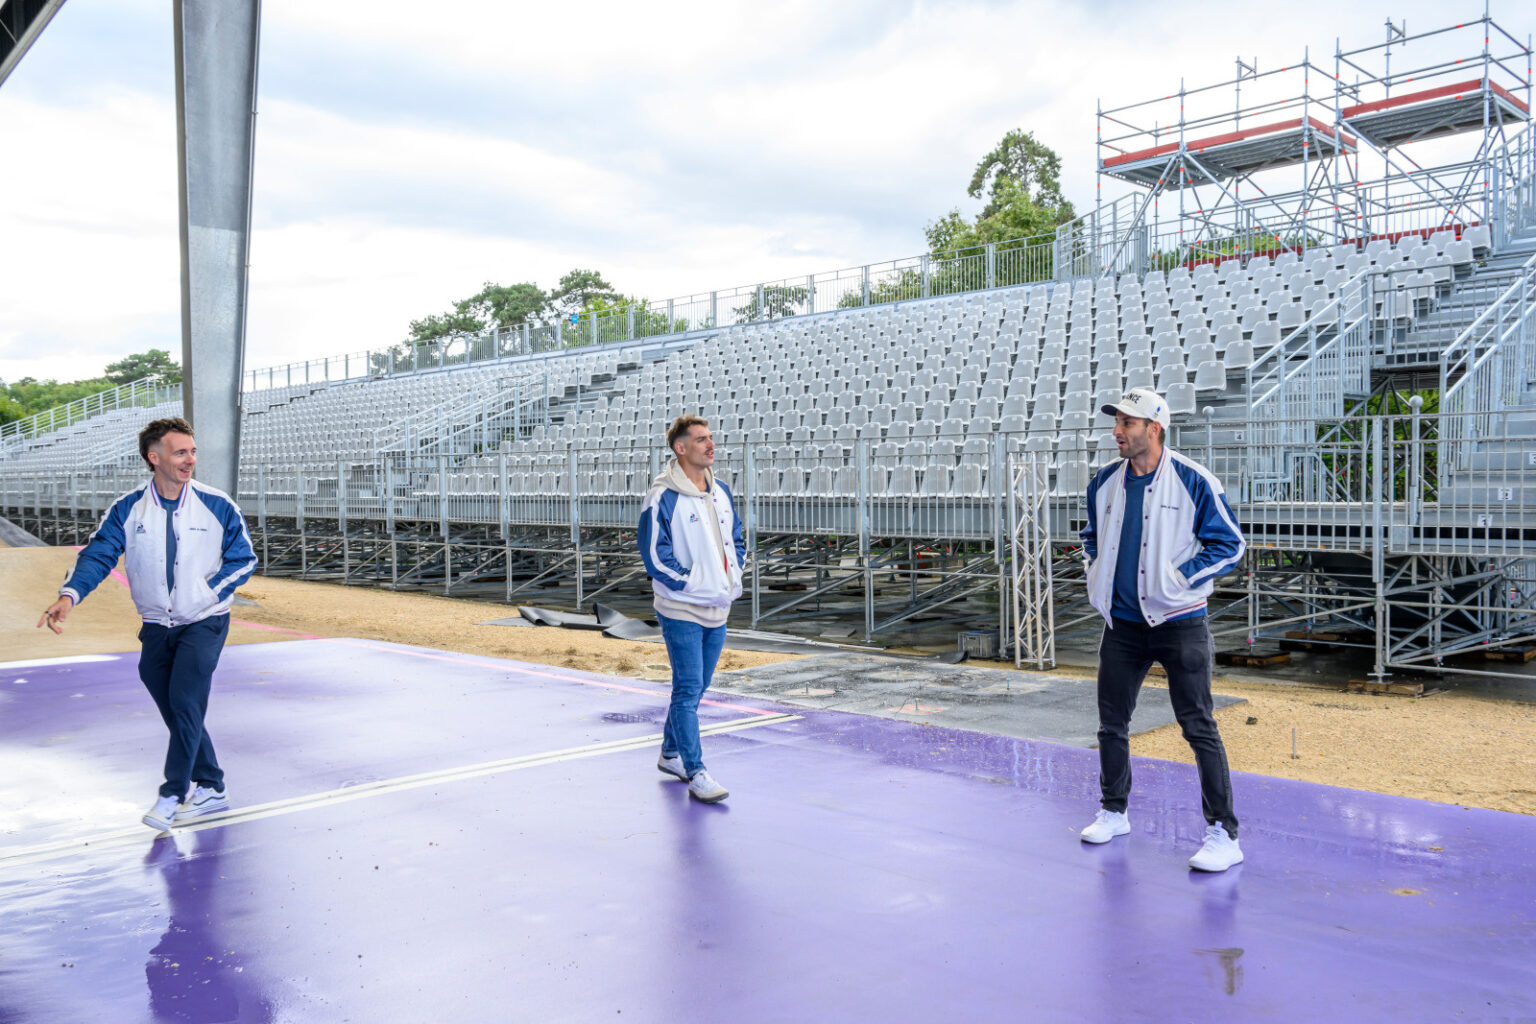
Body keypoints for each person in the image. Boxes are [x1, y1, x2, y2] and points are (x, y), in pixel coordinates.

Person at [38, 417, 257, 831]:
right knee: (176, 708)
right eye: (180, 452)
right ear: (154, 458)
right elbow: (98, 555)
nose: (190, 459)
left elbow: (243, 558)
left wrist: (209, 594)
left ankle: (172, 794)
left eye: (192, 451)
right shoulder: (127, 509)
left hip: (205, 622)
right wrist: (70, 595)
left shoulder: (217, 504)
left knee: (186, 702)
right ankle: (212, 785)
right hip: (156, 625)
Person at [1078, 388, 1247, 872]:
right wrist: (1095, 571)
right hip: (1122, 626)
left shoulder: (1194, 480)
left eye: (1126, 424)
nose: (1116, 432)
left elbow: (1230, 545)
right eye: (1116, 423)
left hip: (1180, 623)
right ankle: (1114, 811)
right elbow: (1090, 535)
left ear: (1154, 428)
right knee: (1112, 724)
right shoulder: (1104, 483)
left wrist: (1178, 579)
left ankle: (1224, 832)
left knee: (1199, 727)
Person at [637, 414, 746, 804]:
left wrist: (730, 576)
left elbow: (736, 540)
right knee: (686, 689)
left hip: (717, 605)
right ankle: (696, 770)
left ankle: (670, 755)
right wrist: (693, 581)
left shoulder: (722, 492)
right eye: (701, 439)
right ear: (681, 449)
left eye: (711, 438)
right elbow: (654, 556)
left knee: (696, 688)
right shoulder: (661, 496)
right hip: (680, 607)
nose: (710, 444)